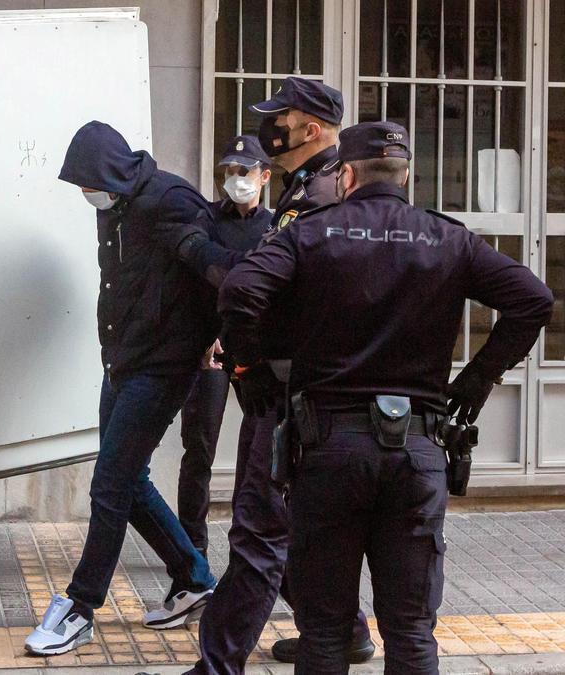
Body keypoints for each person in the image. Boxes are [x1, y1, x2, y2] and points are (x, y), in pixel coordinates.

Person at [217, 121, 553, 674]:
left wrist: (251, 370)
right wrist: (478, 378)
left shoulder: (311, 233)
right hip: (417, 454)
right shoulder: (448, 238)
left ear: (345, 174)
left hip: (327, 450)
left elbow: (239, 291)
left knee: (324, 634)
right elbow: (533, 300)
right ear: (406, 176)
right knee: (412, 633)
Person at [178, 77, 376, 675]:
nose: (272, 129)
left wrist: (249, 359)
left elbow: (276, 291)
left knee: (258, 528)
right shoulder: (314, 186)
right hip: (300, 385)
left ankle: (218, 665)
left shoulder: (317, 195)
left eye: (281, 119)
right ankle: (346, 634)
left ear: (312, 129)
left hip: (293, 390)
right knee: (282, 524)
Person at [23, 121, 219, 656]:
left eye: (87, 183)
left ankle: (80, 607)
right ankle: (195, 577)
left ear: (109, 173)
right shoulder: (117, 208)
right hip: (125, 363)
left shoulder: (170, 201)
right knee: (127, 484)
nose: (86, 195)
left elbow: (212, 269)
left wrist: (210, 338)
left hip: (163, 367)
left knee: (109, 483)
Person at [174, 135, 273, 560]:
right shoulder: (207, 217)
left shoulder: (276, 224)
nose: (235, 180)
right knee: (199, 447)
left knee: (258, 451)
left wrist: (225, 268)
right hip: (210, 346)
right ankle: (190, 544)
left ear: (264, 176)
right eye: (229, 172)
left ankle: (248, 539)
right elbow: (197, 262)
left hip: (255, 346)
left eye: (244, 171)